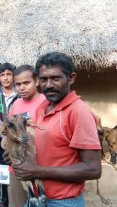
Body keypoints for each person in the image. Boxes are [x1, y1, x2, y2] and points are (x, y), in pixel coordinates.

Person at [12, 52, 102, 206]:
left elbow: (93, 169)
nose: (48, 85)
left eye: (55, 78)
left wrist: (36, 171)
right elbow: (46, 148)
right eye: (43, 79)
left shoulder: (79, 112)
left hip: (62, 202)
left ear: (71, 78)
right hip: (37, 197)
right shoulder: (42, 107)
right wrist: (17, 155)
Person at [6, 64, 46, 207]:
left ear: (36, 81)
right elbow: (10, 133)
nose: (21, 87)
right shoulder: (15, 105)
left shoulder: (46, 103)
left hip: (40, 168)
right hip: (17, 168)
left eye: (26, 83)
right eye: (18, 84)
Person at [0, 63, 18, 206]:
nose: (5, 78)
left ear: (14, 76)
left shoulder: (21, 95)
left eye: (8, 74)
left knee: (18, 182)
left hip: (19, 148)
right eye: (2, 75)